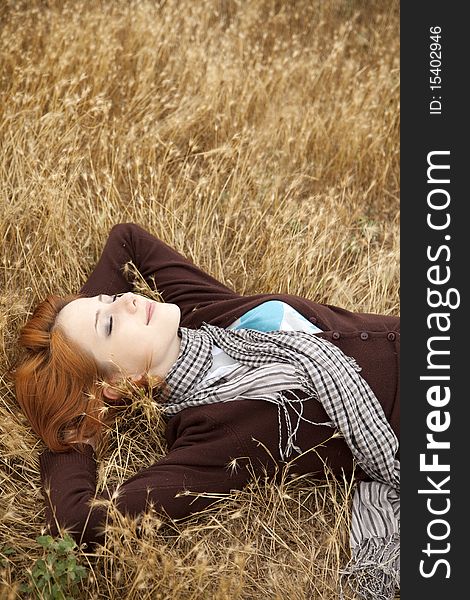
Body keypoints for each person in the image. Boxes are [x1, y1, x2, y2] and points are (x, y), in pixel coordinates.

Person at [13, 223, 400, 597]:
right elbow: (77, 522)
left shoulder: (206, 316)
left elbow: (127, 240)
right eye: (110, 325)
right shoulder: (215, 431)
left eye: (111, 299)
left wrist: (84, 319)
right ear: (114, 386)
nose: (129, 299)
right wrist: (79, 429)